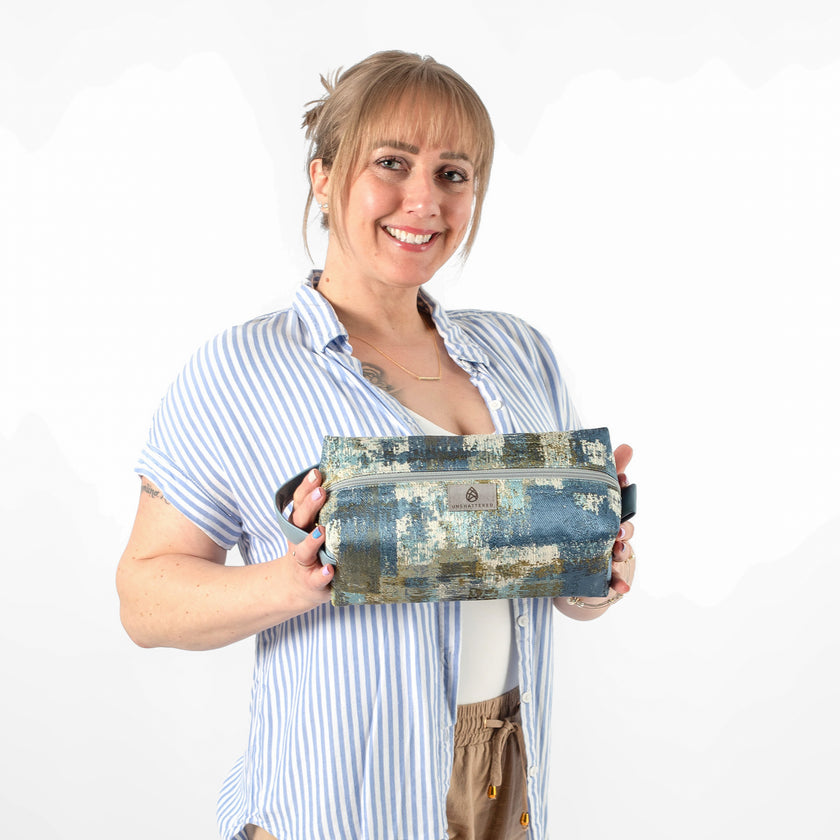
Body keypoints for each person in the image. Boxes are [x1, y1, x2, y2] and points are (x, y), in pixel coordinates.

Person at [117, 50, 636, 840]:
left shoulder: (520, 354)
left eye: (453, 174)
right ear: (324, 175)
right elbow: (143, 599)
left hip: (501, 778)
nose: (422, 200)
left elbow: (556, 595)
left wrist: (597, 565)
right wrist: (294, 582)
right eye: (391, 163)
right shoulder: (244, 368)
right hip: (340, 798)